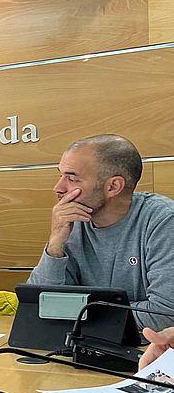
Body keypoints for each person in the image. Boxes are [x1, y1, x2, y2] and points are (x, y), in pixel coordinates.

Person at [27, 134, 174, 331]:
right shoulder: (72, 221)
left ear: (113, 186)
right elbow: (39, 305)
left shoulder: (163, 222)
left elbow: (164, 314)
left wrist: (80, 312)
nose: (59, 187)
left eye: (71, 178)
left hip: (148, 352)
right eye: (60, 175)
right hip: (83, 347)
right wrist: (55, 244)